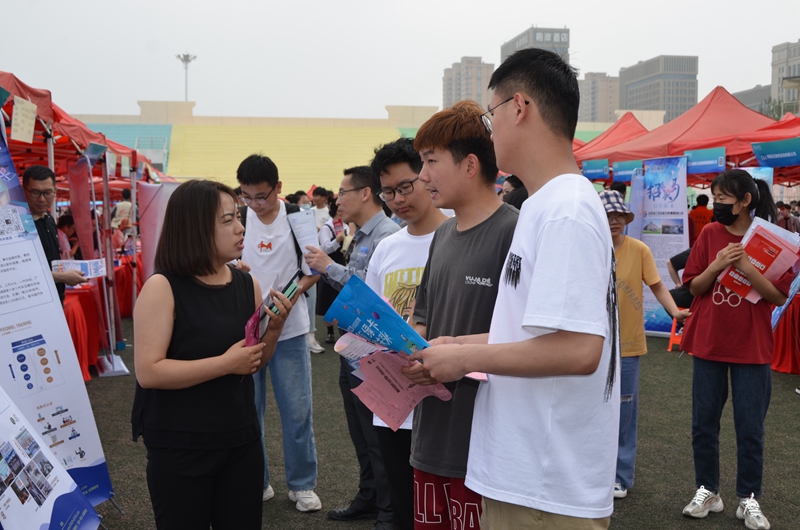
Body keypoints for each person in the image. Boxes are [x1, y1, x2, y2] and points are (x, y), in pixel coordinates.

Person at [408, 48, 619, 529]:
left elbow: (579, 349)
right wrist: (457, 345)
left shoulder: (565, 210)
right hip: (524, 476)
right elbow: (530, 333)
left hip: (545, 486)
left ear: (519, 107)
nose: (489, 130)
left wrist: (464, 358)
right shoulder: (546, 205)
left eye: (491, 115)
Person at [130, 179, 295, 529]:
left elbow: (252, 362)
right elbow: (149, 371)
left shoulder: (246, 284)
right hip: (180, 444)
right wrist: (224, 364)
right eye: (227, 220)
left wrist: (275, 329)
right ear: (195, 227)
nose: (241, 227)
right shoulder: (162, 287)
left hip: (240, 438)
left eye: (238, 217)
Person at [400, 100, 519, 530]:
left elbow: (525, 338)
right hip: (431, 433)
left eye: (431, 161)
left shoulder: (515, 231)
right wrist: (405, 347)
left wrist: (457, 354)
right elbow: (423, 317)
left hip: (485, 440)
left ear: (470, 165)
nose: (422, 175)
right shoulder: (443, 233)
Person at [680, 169, 789, 530]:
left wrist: (745, 266)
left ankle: (748, 498)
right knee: (703, 424)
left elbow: (778, 297)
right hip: (709, 342)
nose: (717, 206)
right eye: (715, 199)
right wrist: (717, 264)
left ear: (745, 201)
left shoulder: (770, 238)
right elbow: (694, 288)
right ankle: (708, 490)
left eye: (723, 199)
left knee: (750, 427)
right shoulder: (710, 234)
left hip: (752, 346)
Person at [304, 166, 400, 528]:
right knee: (361, 432)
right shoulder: (361, 235)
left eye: (342, 192)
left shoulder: (386, 234)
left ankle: (389, 509)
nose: (337, 200)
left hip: (373, 351)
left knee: (377, 435)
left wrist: (329, 267)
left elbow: (373, 290)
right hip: (354, 347)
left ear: (365, 193)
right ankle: (370, 496)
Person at [365, 138, 448, 530]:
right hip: (394, 404)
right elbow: (371, 319)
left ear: (426, 176)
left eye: (405, 186)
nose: (397, 199)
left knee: (444, 511)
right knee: (401, 508)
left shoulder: (457, 236)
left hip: (445, 401)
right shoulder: (386, 249)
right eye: (388, 192)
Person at [236, 154, 322, 512]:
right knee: (247, 412)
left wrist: (291, 295)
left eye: (262, 196)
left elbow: (314, 270)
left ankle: (302, 485)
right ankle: (257, 480)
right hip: (245, 330)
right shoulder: (238, 218)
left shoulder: (298, 218)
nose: (255, 204)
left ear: (278, 188)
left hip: (290, 329)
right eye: (247, 196)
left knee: (297, 410)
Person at [598, 190, 690, 500]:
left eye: (619, 216)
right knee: (591, 407)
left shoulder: (639, 249)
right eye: (608, 215)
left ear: (626, 218)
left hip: (627, 345)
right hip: (592, 343)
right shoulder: (589, 246)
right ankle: (593, 471)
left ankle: (620, 476)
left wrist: (675, 311)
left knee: (625, 410)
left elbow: (658, 285)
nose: (614, 221)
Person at [22, 166, 87, 302]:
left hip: (56, 297)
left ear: (55, 192)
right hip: (32, 299)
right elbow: (21, 271)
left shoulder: (50, 219)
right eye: (35, 192)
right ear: (24, 191)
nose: (41, 199)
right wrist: (61, 277)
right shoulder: (19, 225)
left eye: (47, 192)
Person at [316, 202, 348, 344]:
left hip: (342, 263)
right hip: (328, 264)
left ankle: (343, 330)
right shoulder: (327, 227)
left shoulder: (346, 225)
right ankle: (330, 332)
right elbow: (325, 248)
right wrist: (337, 240)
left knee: (341, 299)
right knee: (328, 299)